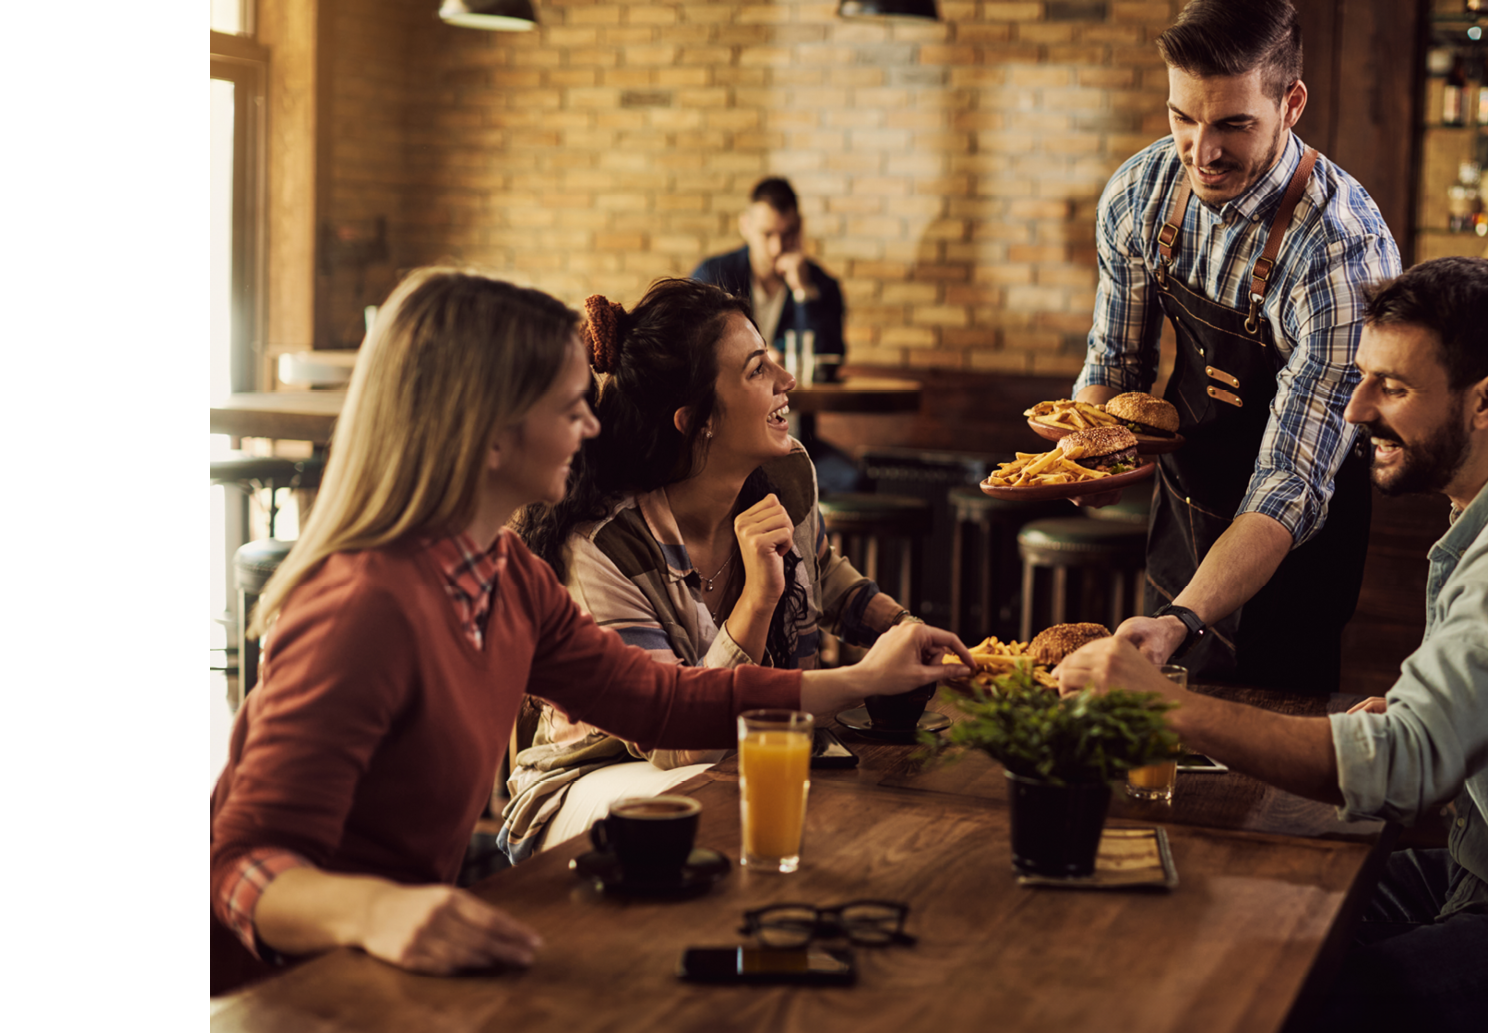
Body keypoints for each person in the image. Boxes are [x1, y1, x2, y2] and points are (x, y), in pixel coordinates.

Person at [210, 268, 971, 977]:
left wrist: (864, 678)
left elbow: (666, 702)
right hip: (267, 1001)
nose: (592, 428)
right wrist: (376, 911)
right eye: (569, 407)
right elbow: (235, 867)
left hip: (393, 974)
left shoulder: (508, 582)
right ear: (494, 434)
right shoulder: (361, 607)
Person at [1057, 257, 1488, 1033]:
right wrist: (1408, 716)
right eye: (1360, 378)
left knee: (1248, 997)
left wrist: (1161, 706)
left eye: (1391, 388)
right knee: (1252, 916)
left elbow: (1402, 773)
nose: (1356, 410)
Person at [505, 280, 918, 858]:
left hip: (733, 753)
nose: (787, 380)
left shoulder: (787, 475)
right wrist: (758, 602)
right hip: (596, 779)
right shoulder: (604, 550)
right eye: (756, 370)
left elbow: (822, 574)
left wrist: (902, 630)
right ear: (696, 419)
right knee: (717, 806)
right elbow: (677, 742)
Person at [1073, 0, 1401, 692]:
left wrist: (1182, 620)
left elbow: (1289, 484)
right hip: (1182, 525)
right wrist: (1087, 459)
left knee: (1263, 783)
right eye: (1182, 118)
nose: (1201, 151)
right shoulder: (1141, 194)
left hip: (1290, 567)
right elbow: (1115, 365)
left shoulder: (1342, 253)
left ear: (1292, 104)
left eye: (1232, 124)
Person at [693, 177, 859, 493]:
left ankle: (815, 543)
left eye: (789, 234)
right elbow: (696, 359)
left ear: (801, 229)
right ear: (745, 226)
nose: (777, 247)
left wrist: (802, 293)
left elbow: (828, 360)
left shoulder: (821, 285)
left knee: (851, 480)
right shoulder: (714, 276)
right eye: (767, 234)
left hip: (795, 434)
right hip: (726, 438)